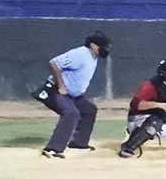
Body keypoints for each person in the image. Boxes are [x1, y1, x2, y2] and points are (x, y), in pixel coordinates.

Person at [41, 31, 112, 159]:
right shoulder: (80, 54)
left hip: (73, 95)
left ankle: (79, 143)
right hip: (56, 91)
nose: (105, 49)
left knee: (89, 110)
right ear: (93, 46)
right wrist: (61, 85)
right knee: (71, 113)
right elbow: (54, 63)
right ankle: (52, 149)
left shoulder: (93, 57)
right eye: (103, 46)